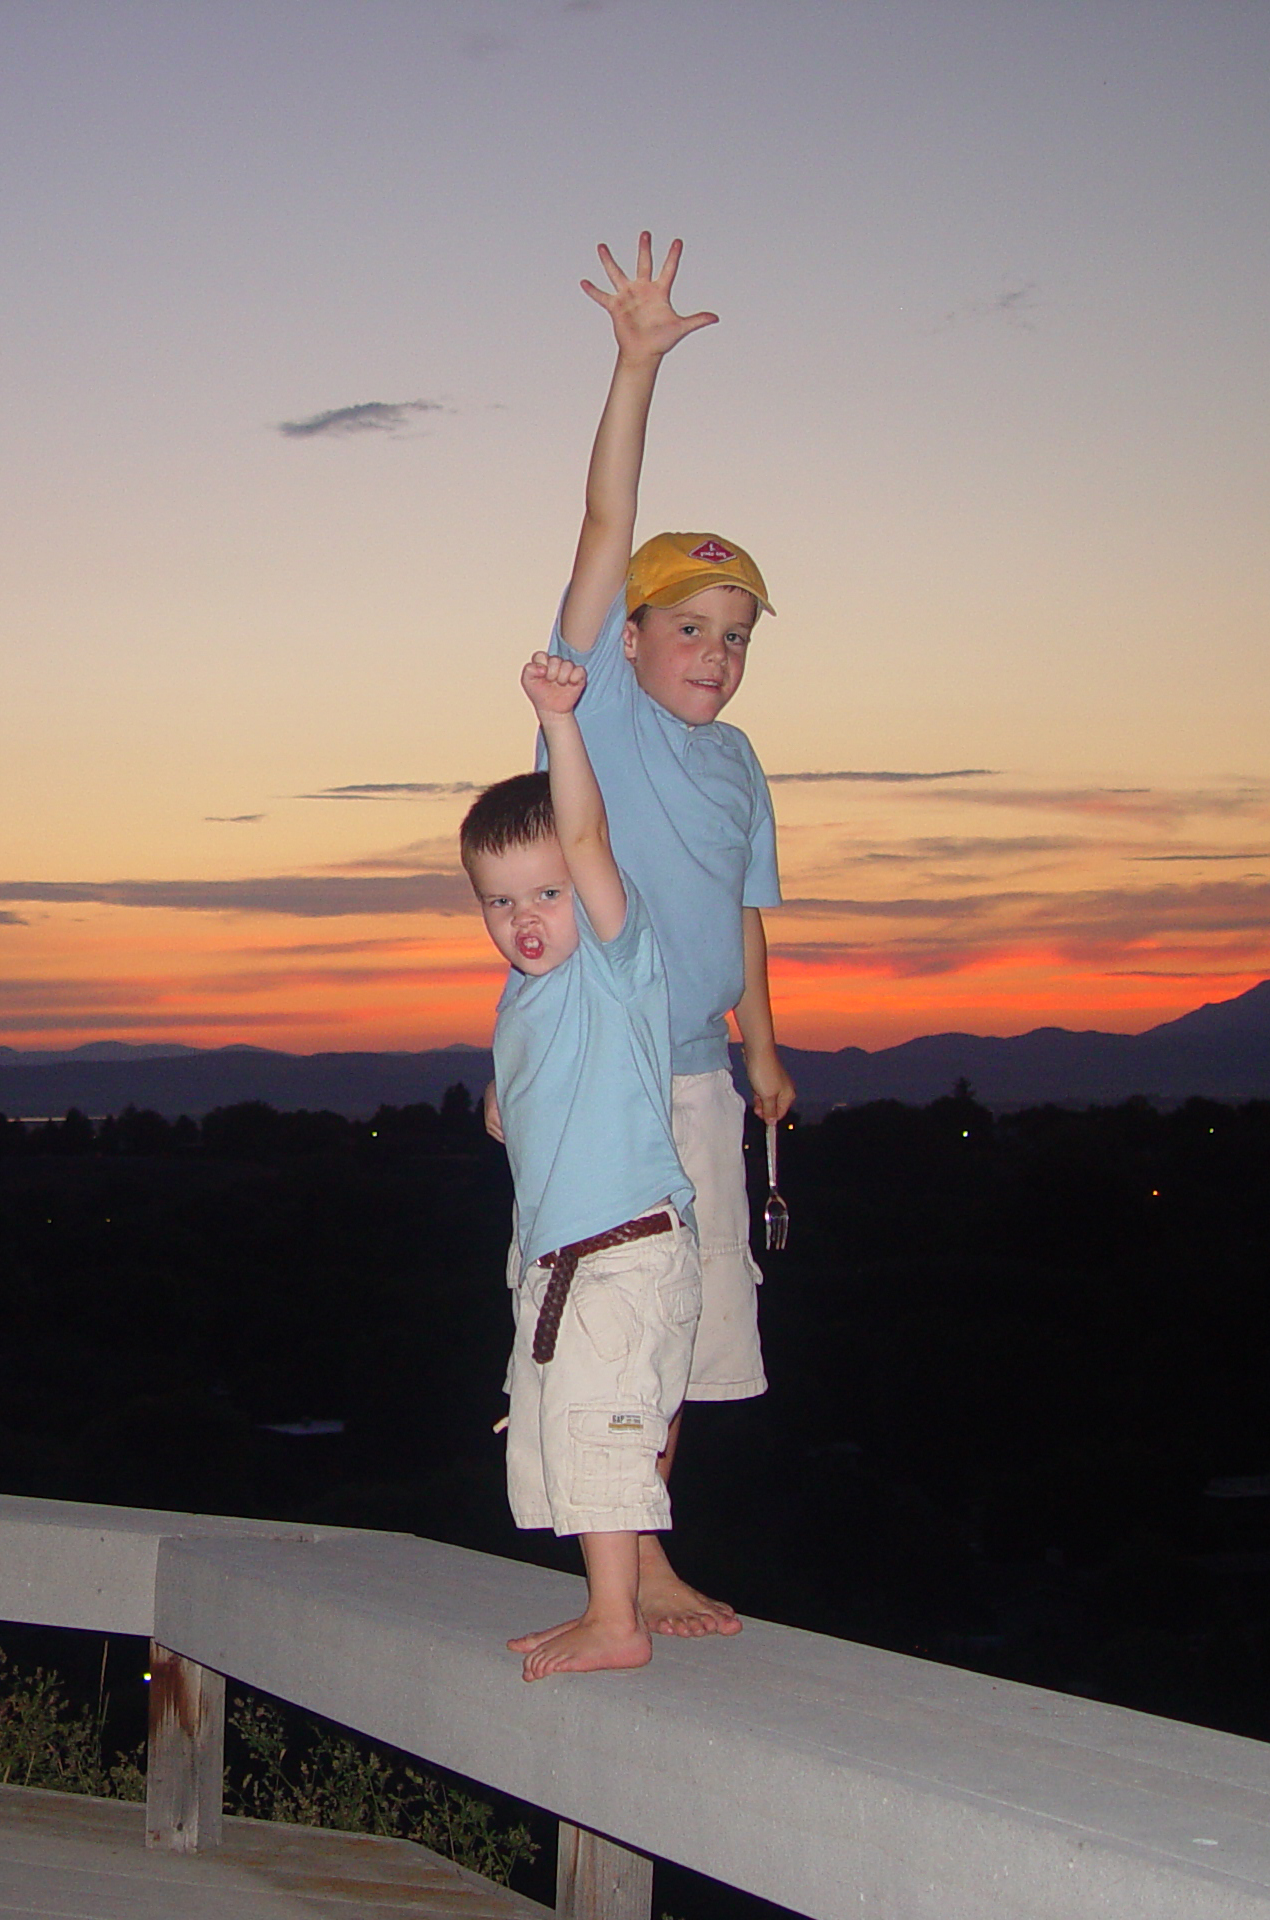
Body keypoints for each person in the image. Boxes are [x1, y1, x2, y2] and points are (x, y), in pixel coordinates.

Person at [492, 230, 797, 1641]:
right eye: (693, 626)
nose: (717, 654)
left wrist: (767, 1050)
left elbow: (741, 912)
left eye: (738, 635)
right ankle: (619, 1575)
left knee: (687, 1323)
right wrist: (633, 369)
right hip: (614, 1081)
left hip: (703, 1078)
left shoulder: (739, 768)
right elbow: (604, 531)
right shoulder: (603, 714)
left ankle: (653, 1557)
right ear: (635, 638)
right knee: (599, 1303)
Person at [469, 652, 702, 1680]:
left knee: (602, 1432)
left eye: (547, 893)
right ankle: (609, 1600)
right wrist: (500, 1100)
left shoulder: (613, 955)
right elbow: (540, 1082)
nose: (524, 918)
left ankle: (616, 1621)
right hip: (568, 1264)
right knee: (573, 1430)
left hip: (617, 1255)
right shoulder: (528, 998)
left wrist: (557, 722)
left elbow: (585, 834)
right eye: (498, 901)